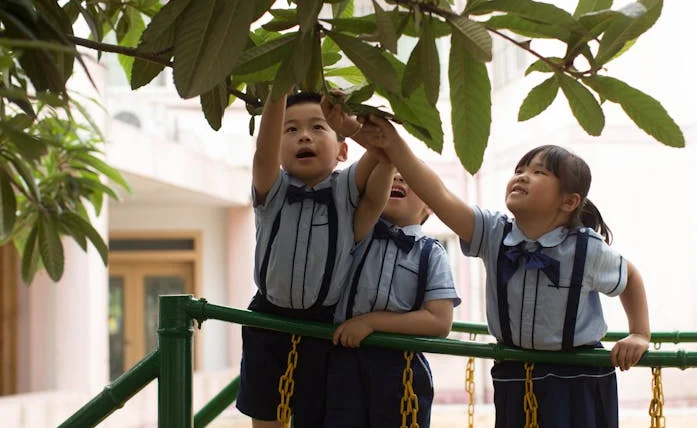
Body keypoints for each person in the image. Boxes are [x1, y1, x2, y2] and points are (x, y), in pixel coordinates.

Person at [356, 115, 650, 428]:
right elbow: (439, 195)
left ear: (569, 201)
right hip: (515, 373)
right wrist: (394, 145)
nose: (522, 177)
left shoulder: (586, 249)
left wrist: (639, 333)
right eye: (519, 170)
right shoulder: (494, 233)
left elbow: (629, 277)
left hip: (577, 378)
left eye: (538, 172)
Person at [235, 91, 387, 428]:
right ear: (278, 147)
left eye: (319, 127)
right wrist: (280, 87)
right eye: (290, 129)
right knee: (267, 417)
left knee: (316, 417)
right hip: (268, 321)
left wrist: (350, 123)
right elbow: (263, 152)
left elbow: (384, 152)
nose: (304, 136)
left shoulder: (346, 190)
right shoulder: (271, 188)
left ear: (343, 150)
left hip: (323, 326)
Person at [323, 164, 461, 428]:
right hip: (343, 359)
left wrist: (371, 322)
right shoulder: (354, 234)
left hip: (403, 370)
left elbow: (440, 321)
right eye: (392, 173)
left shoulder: (432, 253)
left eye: (409, 177)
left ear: (430, 204)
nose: (398, 177)